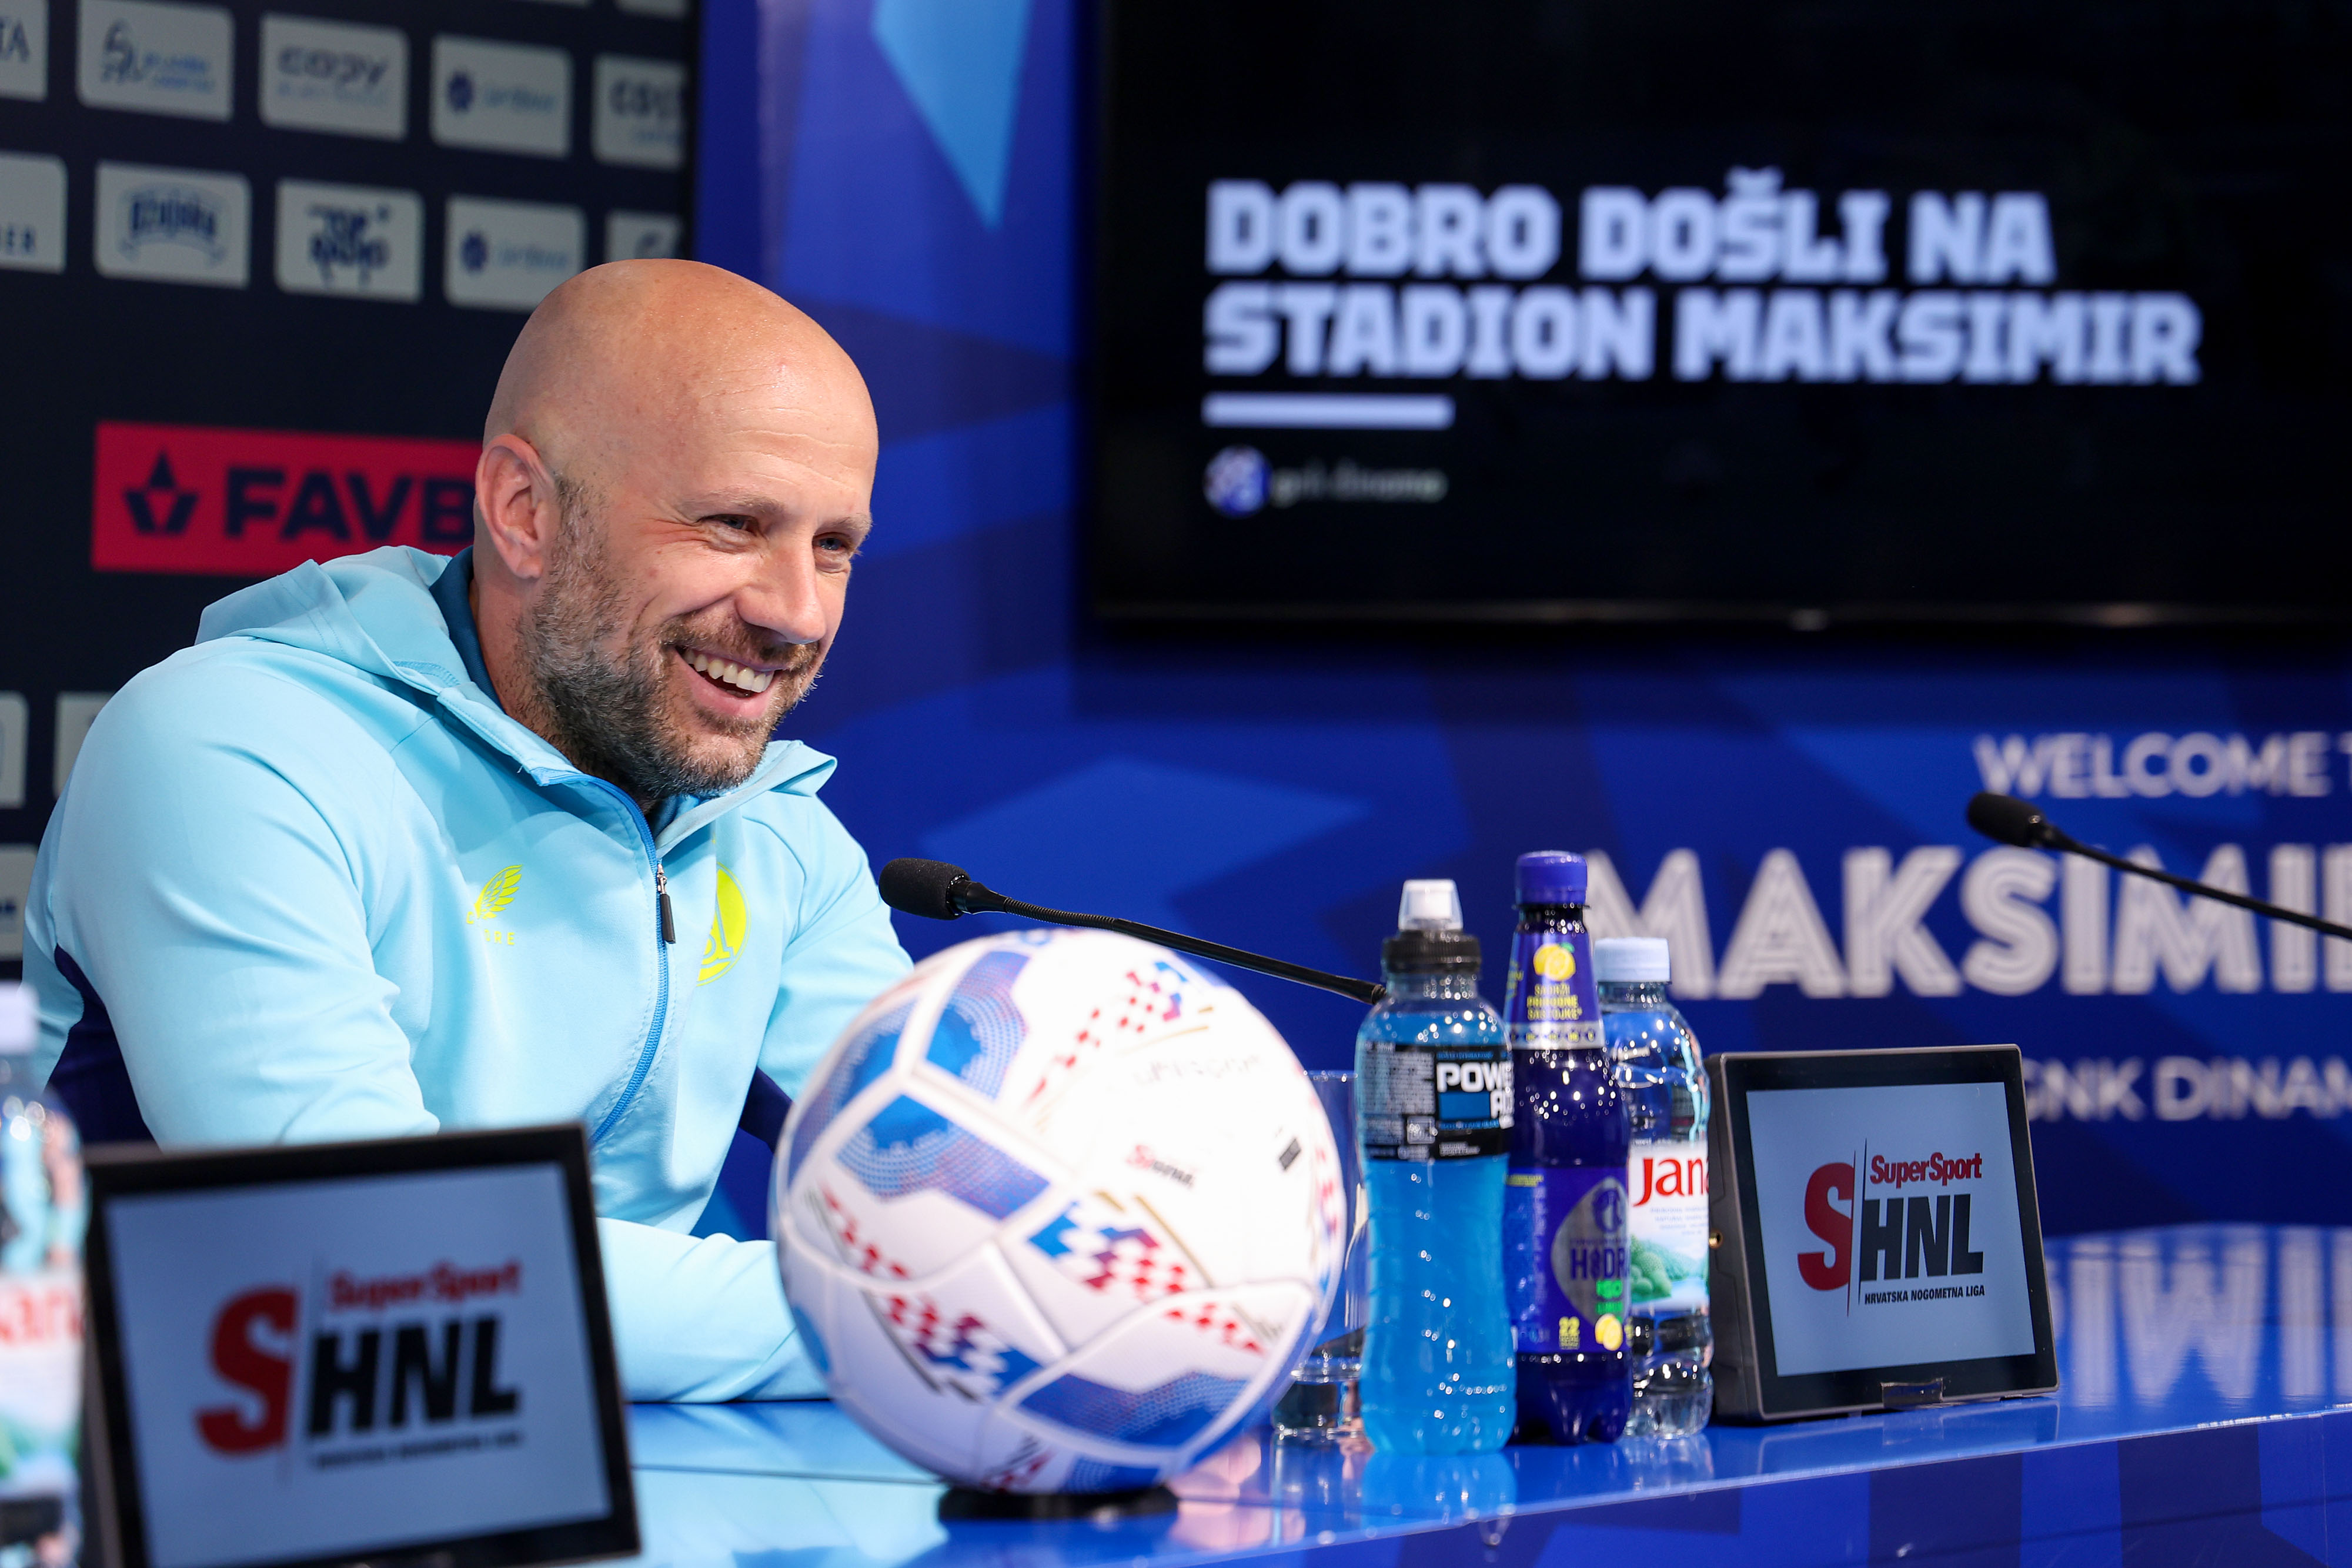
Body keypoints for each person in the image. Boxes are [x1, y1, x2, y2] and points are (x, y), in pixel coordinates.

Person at [21, 261, 911, 1399]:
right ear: (524, 513)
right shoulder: (229, 744)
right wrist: (920, 1321)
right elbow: (376, 1265)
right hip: (169, 1468)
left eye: (834, 545)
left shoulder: (777, 830)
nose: (798, 610)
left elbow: (950, 1182)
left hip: (607, 1464)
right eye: (732, 525)